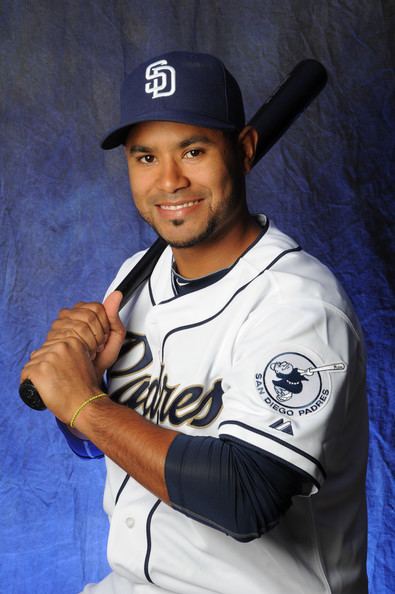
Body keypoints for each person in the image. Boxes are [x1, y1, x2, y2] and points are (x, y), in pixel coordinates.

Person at [21, 51, 369, 594]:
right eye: (145, 158)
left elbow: (245, 499)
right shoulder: (136, 275)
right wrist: (79, 386)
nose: (169, 182)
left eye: (193, 150)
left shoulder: (298, 305)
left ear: (245, 150)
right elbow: (98, 443)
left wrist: (84, 406)